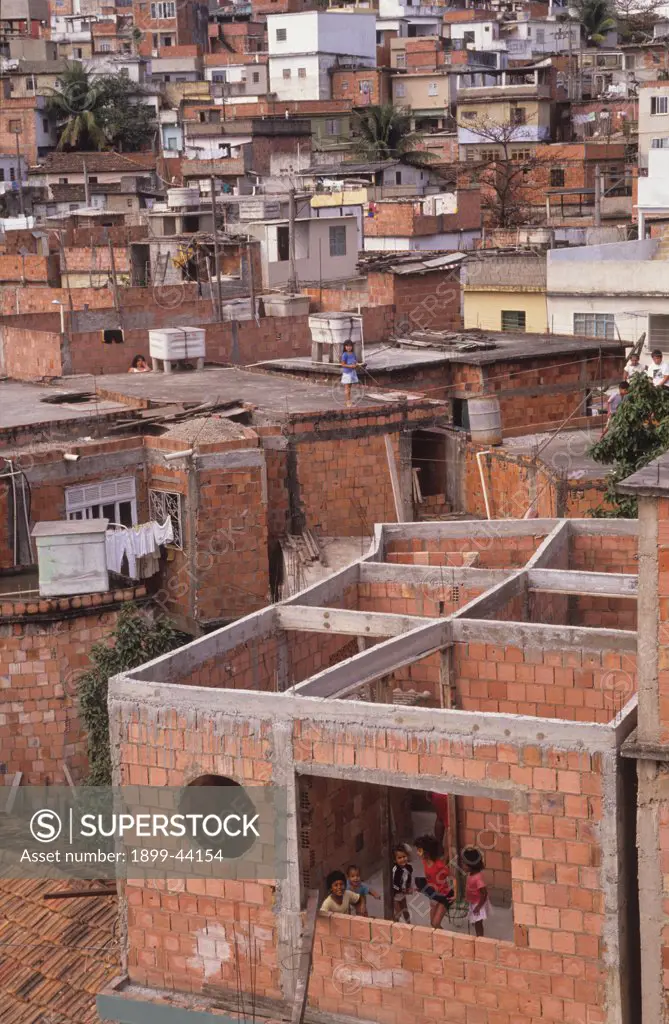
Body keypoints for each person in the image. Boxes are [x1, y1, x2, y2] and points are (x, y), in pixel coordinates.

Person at [414, 834, 454, 929]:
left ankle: (447, 939)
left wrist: (456, 894)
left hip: (445, 896)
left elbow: (454, 878)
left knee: (435, 923)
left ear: (427, 852)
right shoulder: (424, 862)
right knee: (433, 924)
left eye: (419, 850)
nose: (417, 853)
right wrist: (422, 888)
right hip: (433, 895)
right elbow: (430, 878)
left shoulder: (439, 865)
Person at [462, 846, 490, 937]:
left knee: (478, 923)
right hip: (474, 901)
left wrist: (478, 907)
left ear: (471, 866)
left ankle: (480, 939)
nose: (463, 865)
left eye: (464, 864)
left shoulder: (478, 878)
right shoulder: (471, 874)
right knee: (476, 921)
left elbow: (484, 893)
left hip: (478, 903)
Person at [392, 845, 414, 923]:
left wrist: (409, 887)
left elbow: (409, 879)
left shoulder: (409, 868)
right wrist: (402, 890)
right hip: (394, 895)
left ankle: (409, 925)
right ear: (395, 860)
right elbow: (393, 884)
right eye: (399, 858)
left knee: (405, 910)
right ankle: (393, 926)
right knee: (398, 913)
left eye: (404, 856)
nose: (402, 859)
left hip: (402, 893)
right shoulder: (395, 870)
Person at [340, 341, 362, 408]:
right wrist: (350, 366)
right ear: (345, 347)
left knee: (350, 387)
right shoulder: (344, 354)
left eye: (350, 346)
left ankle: (348, 400)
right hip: (347, 373)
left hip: (352, 372)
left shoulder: (353, 354)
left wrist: (356, 365)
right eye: (347, 346)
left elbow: (355, 361)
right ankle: (348, 401)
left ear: (352, 347)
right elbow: (343, 364)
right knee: (347, 388)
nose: (349, 347)